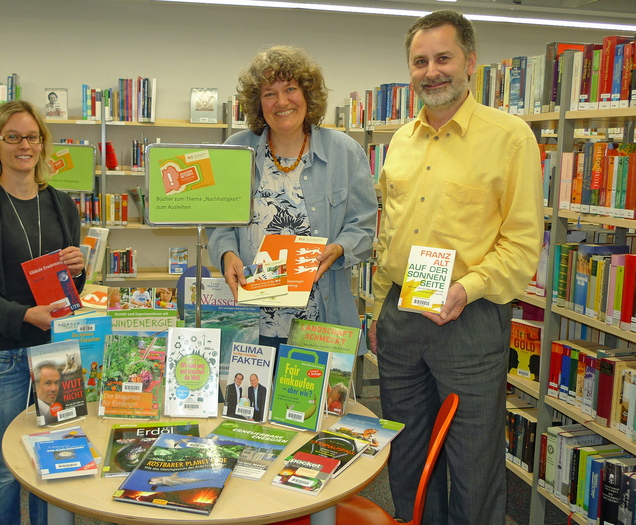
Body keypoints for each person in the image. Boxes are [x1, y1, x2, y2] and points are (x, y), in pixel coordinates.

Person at [369, 11, 543, 525]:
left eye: (443, 58)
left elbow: (521, 244)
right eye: (419, 61)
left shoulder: (510, 139)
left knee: (472, 461)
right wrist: (380, 307)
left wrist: (467, 288)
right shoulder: (401, 140)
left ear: (470, 62)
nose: (431, 71)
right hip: (401, 312)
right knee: (405, 454)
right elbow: (390, 235)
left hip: (469, 317)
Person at [0, 99, 85, 525]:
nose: (25, 145)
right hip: (2, 357)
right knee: (6, 470)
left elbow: (68, 291)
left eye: (33, 137)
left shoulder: (62, 205)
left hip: (57, 354)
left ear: (43, 145)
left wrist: (77, 271)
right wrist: (24, 315)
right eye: (14, 137)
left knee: (54, 467)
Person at [207, 45, 377, 350]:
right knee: (249, 397)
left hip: (321, 322)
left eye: (290, 89)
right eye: (269, 93)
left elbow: (364, 227)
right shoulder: (236, 150)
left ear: (307, 94)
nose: (281, 101)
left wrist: (339, 248)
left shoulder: (345, 152)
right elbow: (219, 223)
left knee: (316, 399)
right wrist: (226, 254)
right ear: (258, 103)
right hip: (250, 320)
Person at [33, 360, 61, 425]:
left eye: (56, 382)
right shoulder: (40, 412)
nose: (54, 389)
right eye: (48, 383)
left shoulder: (55, 407)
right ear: (36, 386)